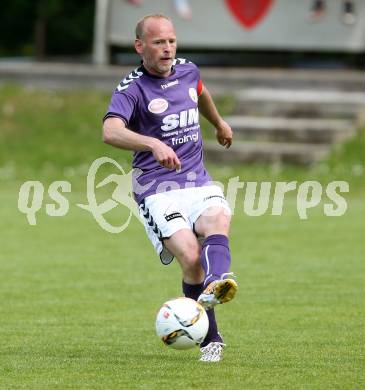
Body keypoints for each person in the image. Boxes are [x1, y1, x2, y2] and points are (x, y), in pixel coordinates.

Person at [102, 14, 237, 362]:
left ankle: (218, 282)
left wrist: (219, 123)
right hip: (156, 190)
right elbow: (111, 131)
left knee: (219, 217)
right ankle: (212, 334)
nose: (167, 49)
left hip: (196, 180)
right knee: (191, 258)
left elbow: (200, 93)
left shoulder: (188, 70)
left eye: (171, 41)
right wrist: (151, 144)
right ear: (140, 46)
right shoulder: (131, 89)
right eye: (159, 42)